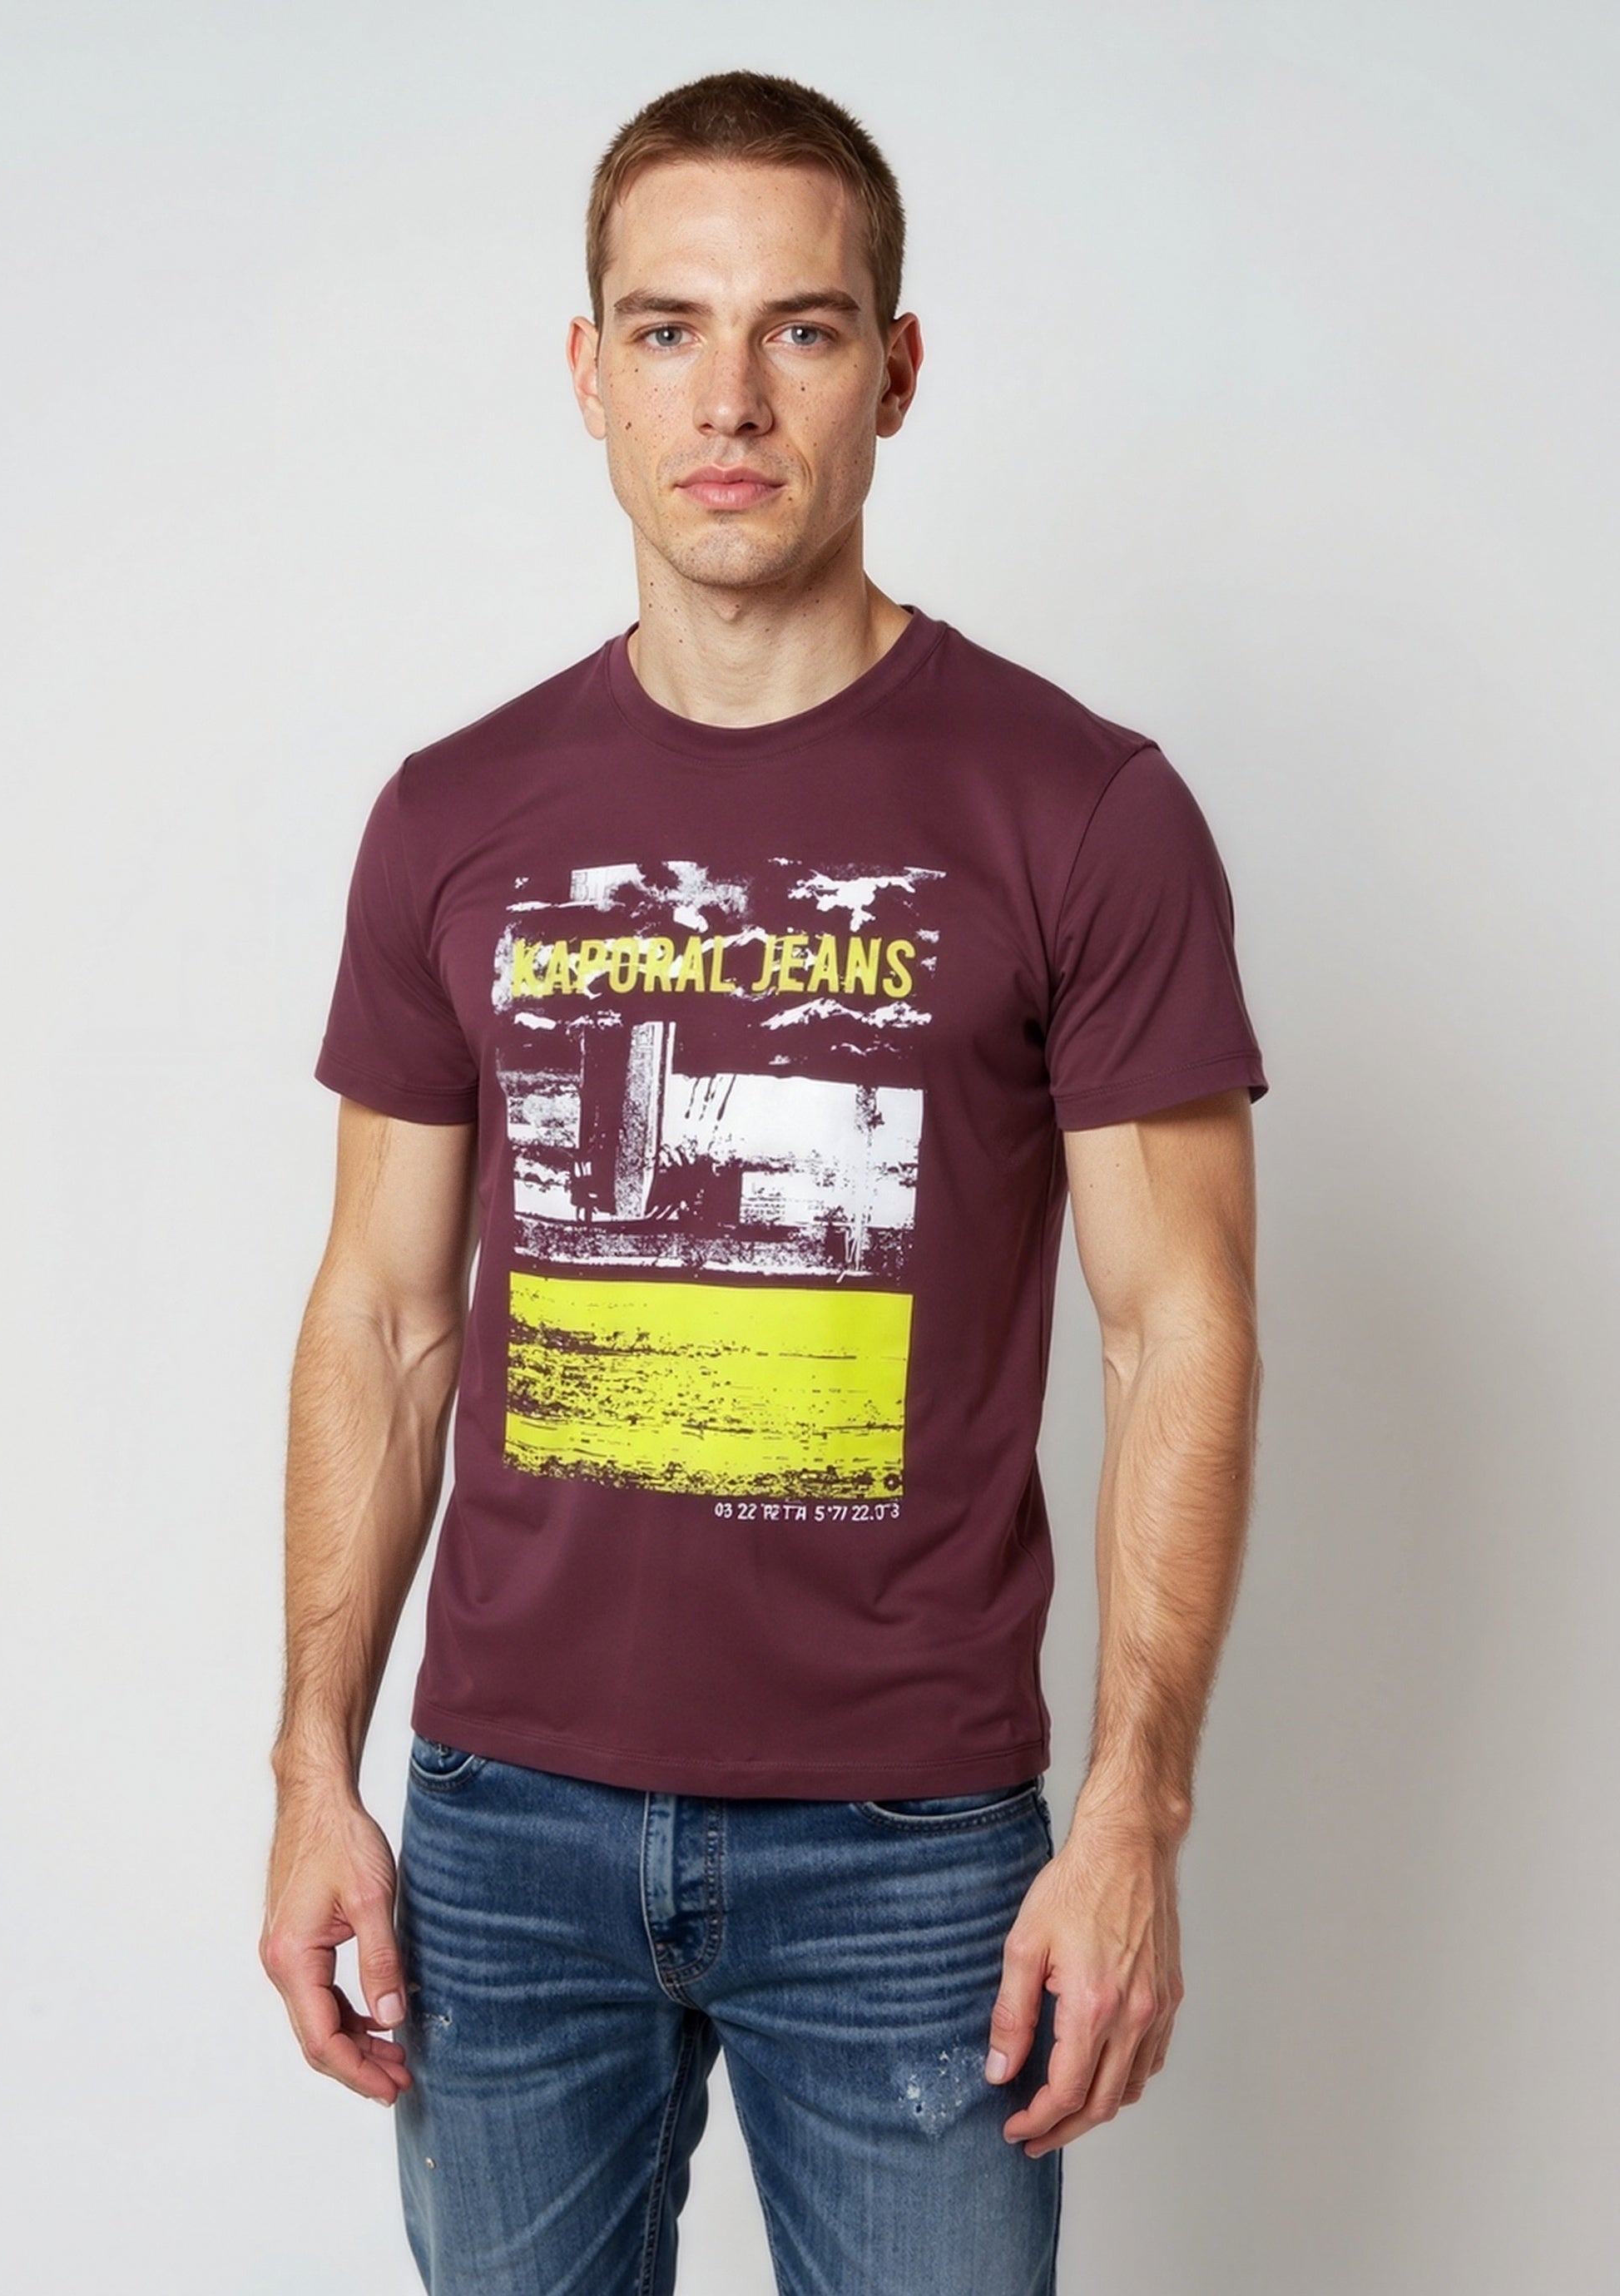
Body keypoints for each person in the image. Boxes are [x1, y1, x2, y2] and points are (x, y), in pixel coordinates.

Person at [260, 67, 1268, 2296]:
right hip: (505, 1835)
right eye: (667, 329)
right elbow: (385, 1318)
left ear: (894, 371)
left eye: (800, 330)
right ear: (588, 373)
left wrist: (1136, 1814)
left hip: (913, 1854)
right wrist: (313, 1768)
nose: (729, 398)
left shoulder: (1082, 810)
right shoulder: (451, 817)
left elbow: (1178, 1324)